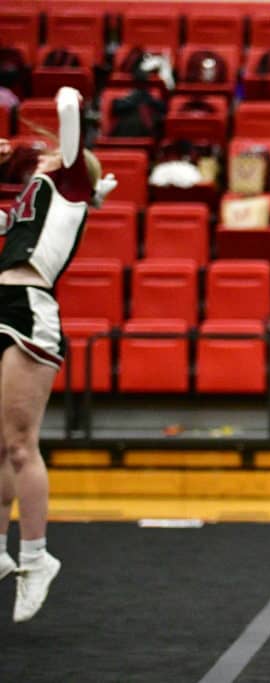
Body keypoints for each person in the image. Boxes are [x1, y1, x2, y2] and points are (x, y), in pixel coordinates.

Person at [0, 87, 115, 623]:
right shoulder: (34, 198)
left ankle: (37, 557)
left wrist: (65, 102)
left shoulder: (69, 181)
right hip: (4, 300)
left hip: (30, 305)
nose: (43, 155)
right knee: (0, 445)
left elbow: (69, 105)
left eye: (54, 152)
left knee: (21, 444)